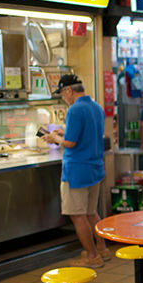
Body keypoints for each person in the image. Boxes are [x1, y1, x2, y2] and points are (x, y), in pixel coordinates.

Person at [42, 75, 110, 268]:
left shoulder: (74, 109)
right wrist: (63, 132)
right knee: (91, 212)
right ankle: (102, 249)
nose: (63, 98)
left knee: (77, 215)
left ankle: (92, 256)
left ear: (69, 90)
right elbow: (86, 132)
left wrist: (54, 139)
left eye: (63, 93)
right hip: (95, 167)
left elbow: (71, 143)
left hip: (77, 170)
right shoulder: (96, 107)